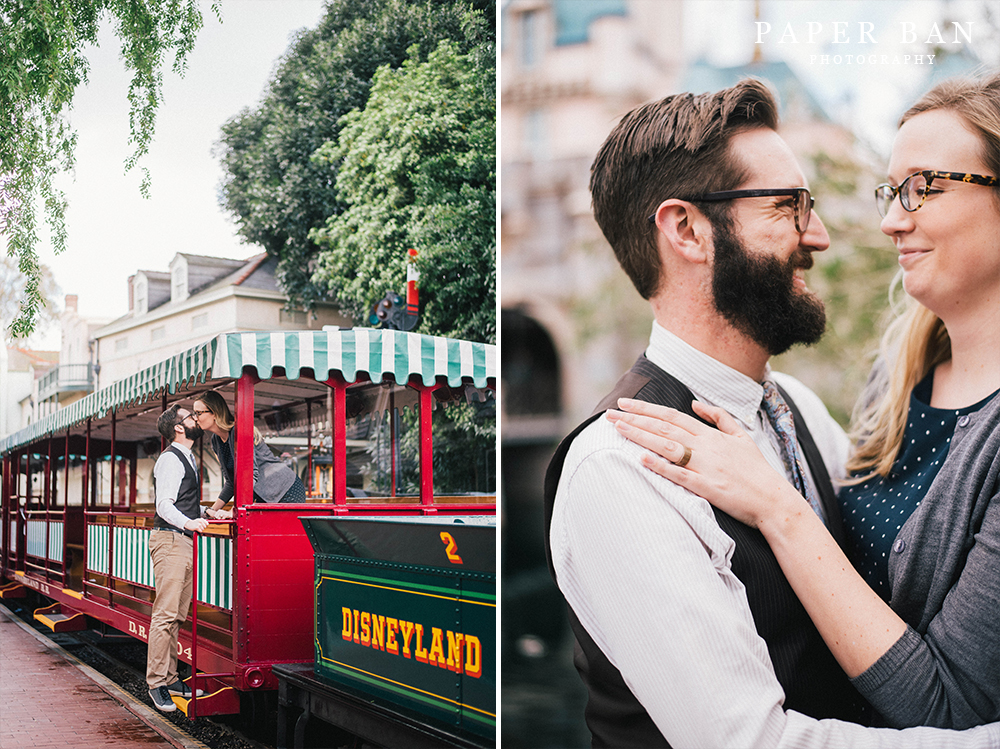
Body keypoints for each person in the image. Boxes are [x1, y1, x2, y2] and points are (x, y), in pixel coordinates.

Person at [544, 77, 1000, 747]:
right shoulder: (618, 469)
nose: (818, 235)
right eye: (788, 207)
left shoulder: (804, 414)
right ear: (687, 230)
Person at [147, 404, 209, 713]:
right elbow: (164, 506)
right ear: (179, 428)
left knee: (176, 615)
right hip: (171, 540)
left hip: (181, 540)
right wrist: (189, 522)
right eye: (190, 416)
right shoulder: (171, 459)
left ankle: (170, 677)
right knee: (166, 614)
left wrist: (206, 513)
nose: (196, 419)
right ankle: (157, 683)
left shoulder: (186, 457)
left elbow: (182, 503)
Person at [193, 390, 306, 520]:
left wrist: (234, 511)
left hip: (286, 490)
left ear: (215, 413)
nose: (195, 418)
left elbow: (251, 474)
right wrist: (211, 511)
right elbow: (231, 483)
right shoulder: (216, 441)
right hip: (266, 495)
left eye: (198, 413)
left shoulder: (237, 431)